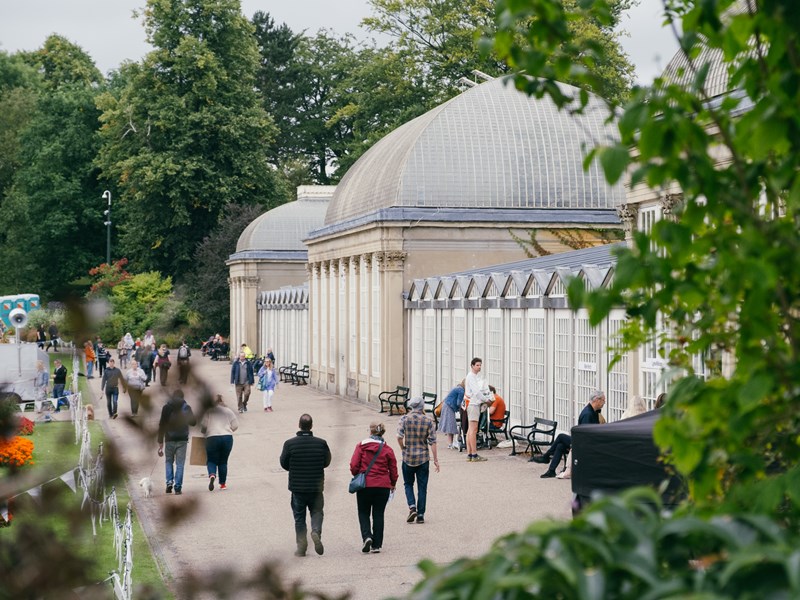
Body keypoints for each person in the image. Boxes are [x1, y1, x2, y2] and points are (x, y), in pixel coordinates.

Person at [279, 413, 332, 557]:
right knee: (317, 512)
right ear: (311, 426)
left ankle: (301, 547)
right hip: (316, 486)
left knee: (299, 518)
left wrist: (296, 467)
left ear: (299, 425)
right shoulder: (321, 443)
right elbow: (327, 462)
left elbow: (284, 463)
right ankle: (315, 531)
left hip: (298, 488)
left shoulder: (290, 444)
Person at [532, 390, 606, 478]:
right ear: (597, 400)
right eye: (603, 400)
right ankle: (551, 470)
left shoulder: (592, 411)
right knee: (560, 445)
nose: (604, 402)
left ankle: (546, 456)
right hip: (584, 442)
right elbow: (585, 434)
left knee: (561, 438)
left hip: (586, 444)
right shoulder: (588, 414)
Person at [349, 422, 398, 554]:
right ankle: (376, 545)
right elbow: (393, 468)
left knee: (363, 512)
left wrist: (358, 474)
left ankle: (367, 537)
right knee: (378, 514)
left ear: (370, 432)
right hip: (382, 485)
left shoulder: (361, 446)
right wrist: (393, 482)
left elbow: (354, 465)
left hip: (365, 484)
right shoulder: (387, 449)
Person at [397, 397, 439, 525]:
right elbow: (433, 441)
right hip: (423, 458)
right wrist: (435, 459)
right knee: (422, 487)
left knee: (408, 484)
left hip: (408, 456)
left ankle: (412, 506)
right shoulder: (428, 421)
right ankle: (420, 514)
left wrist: (403, 447)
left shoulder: (404, 419)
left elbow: (399, 437)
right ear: (422, 407)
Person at [157, 390, 197, 495]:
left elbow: (162, 425)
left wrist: (160, 441)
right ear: (182, 397)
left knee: (169, 461)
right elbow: (193, 422)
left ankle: (169, 482)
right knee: (180, 464)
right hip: (182, 439)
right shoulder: (186, 408)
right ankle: (178, 487)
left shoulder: (166, 408)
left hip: (169, 438)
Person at [201, 394, 239, 491]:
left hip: (212, 437)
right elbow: (235, 425)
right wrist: (228, 429)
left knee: (211, 460)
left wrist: (204, 433)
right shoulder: (228, 410)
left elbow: (203, 426)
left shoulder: (208, 411)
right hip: (227, 437)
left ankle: (212, 475)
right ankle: (223, 484)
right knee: (223, 461)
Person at [464, 357, 492, 462]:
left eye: (480, 365)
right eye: (477, 365)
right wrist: (486, 400)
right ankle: (474, 454)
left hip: (472, 403)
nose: (479, 367)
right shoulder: (471, 377)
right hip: (473, 404)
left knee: (470, 429)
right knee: (473, 429)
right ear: (472, 366)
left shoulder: (473, 377)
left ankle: (470, 454)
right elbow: (476, 392)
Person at [438, 382, 464, 449]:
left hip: (446, 405)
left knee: (450, 425)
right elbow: (458, 403)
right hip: (449, 407)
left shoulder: (457, 388)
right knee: (450, 425)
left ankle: (450, 443)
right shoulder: (461, 391)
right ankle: (450, 443)